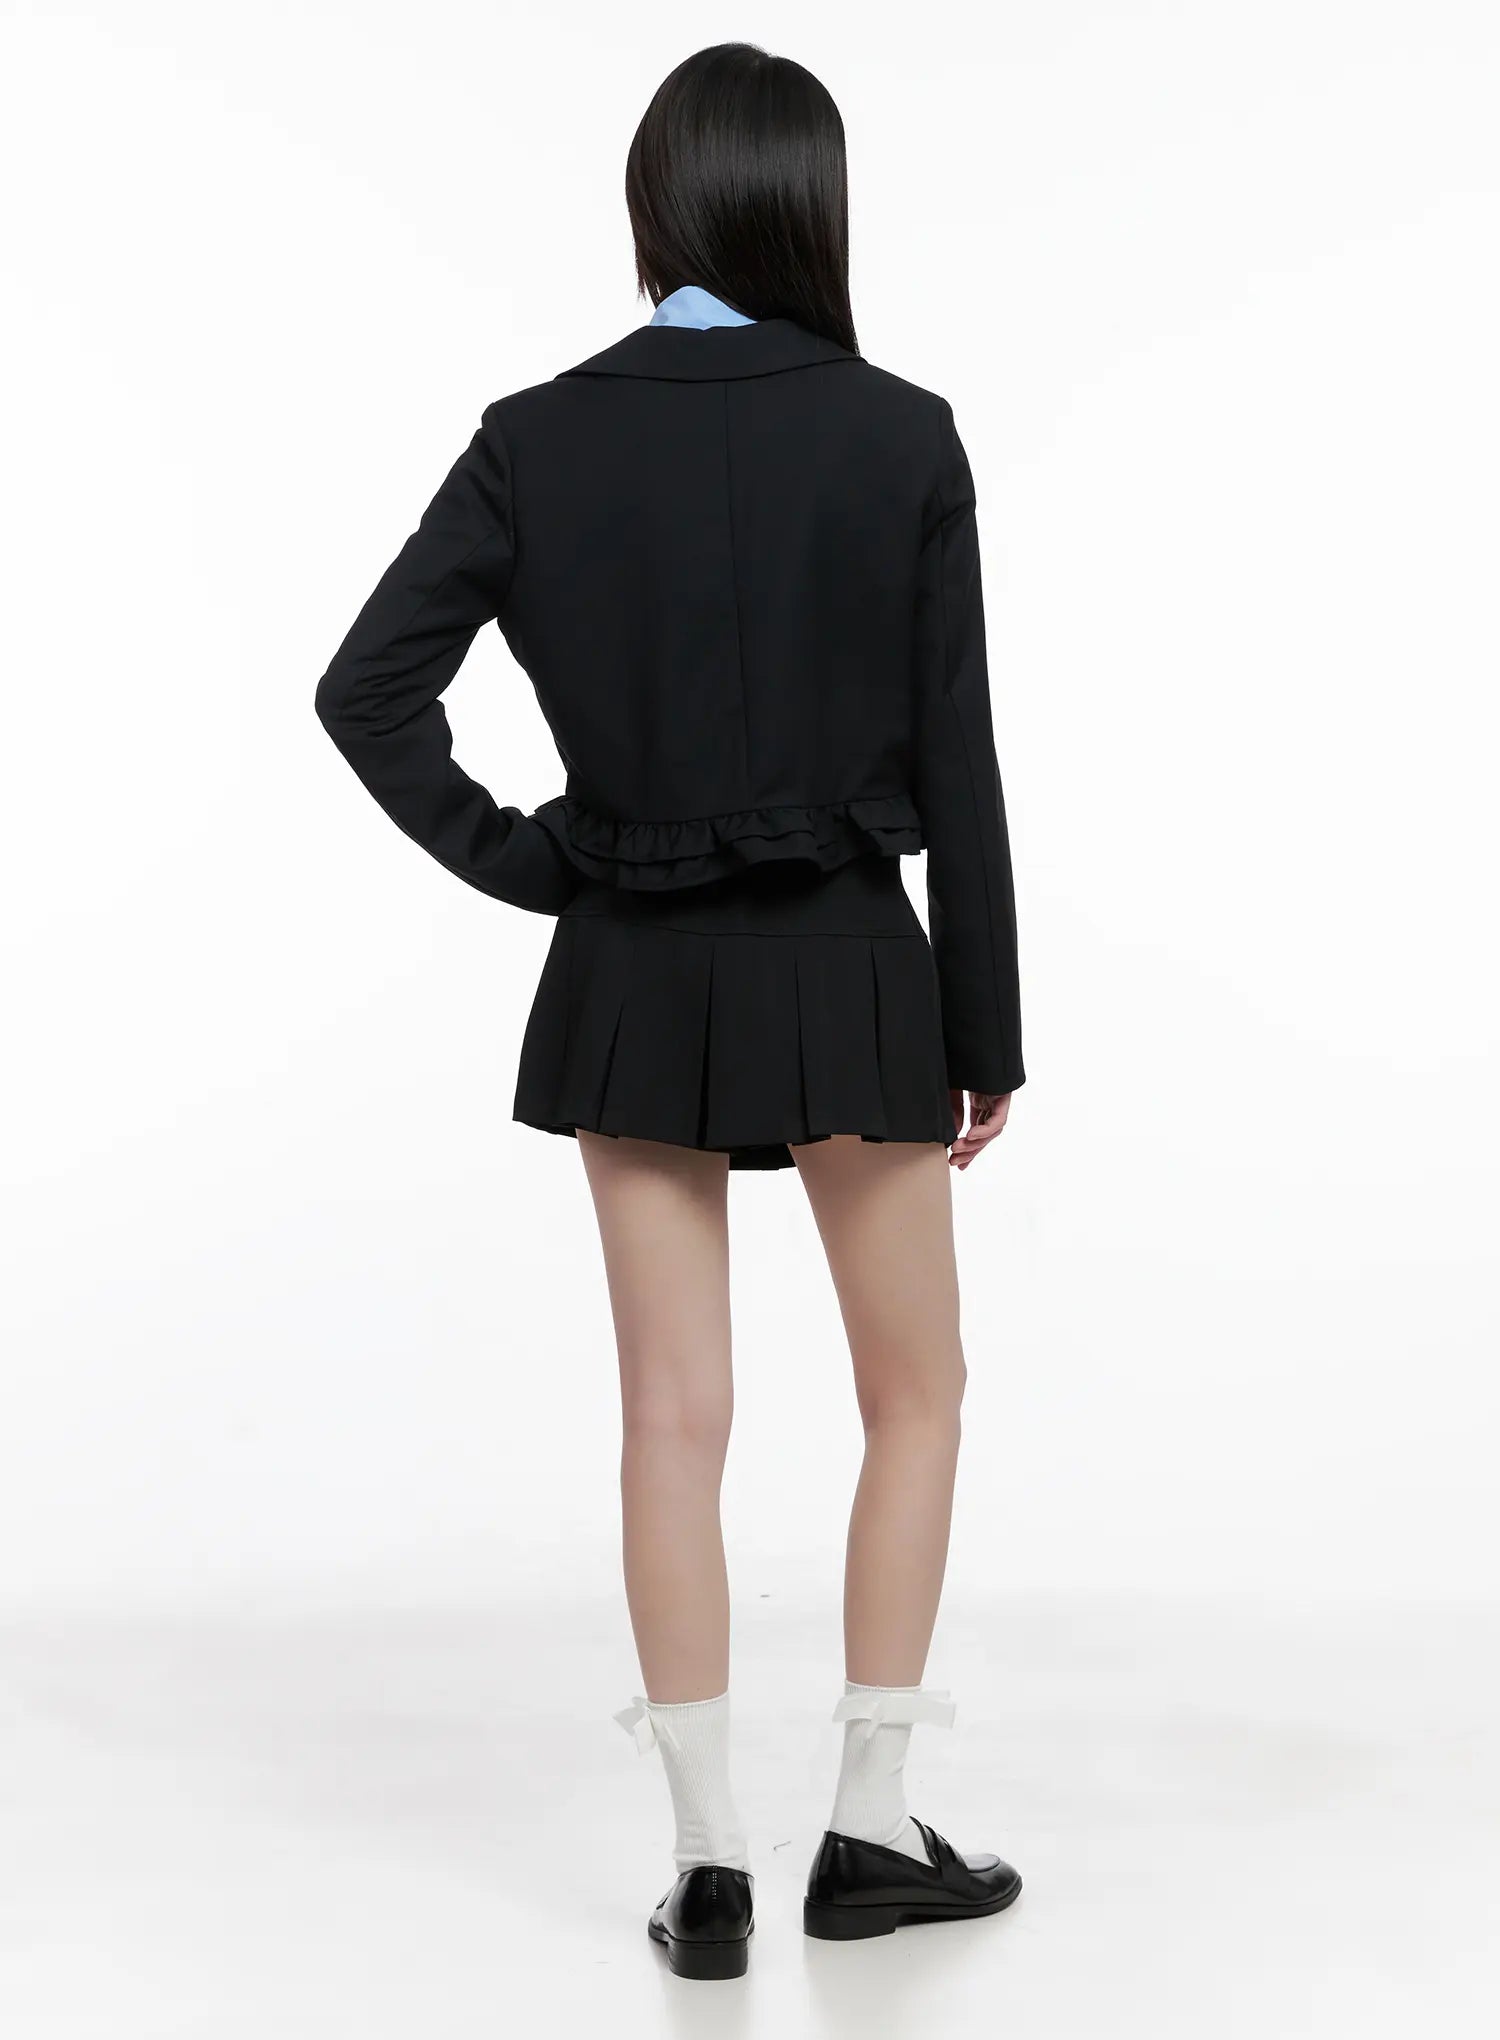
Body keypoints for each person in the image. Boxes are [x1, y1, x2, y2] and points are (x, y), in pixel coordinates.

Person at [315, 41, 1024, 1982]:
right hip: (854, 968)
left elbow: (367, 691)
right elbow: (960, 764)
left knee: (669, 1414)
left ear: (655, 210)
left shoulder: (538, 437)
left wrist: (542, 859)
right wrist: (988, 1030)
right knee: (918, 1393)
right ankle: (866, 1832)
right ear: (813, 207)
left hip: (632, 969)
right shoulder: (902, 435)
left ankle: (710, 1868)